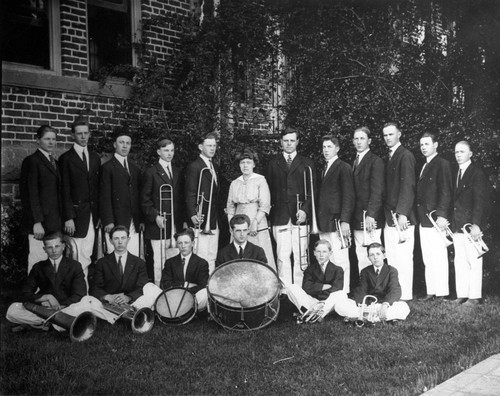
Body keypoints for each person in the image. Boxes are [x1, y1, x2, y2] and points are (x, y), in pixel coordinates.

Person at [6, 232, 86, 331]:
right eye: (49, 247)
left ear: (63, 246)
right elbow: (25, 293)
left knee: (89, 302)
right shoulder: (38, 267)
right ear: (44, 249)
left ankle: (40, 323)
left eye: (57, 246)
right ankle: (57, 324)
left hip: (67, 308)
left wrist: (61, 306)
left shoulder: (75, 265)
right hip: (44, 310)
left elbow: (80, 293)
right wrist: (45, 297)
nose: (54, 250)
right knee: (13, 309)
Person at [266, 126, 315, 287]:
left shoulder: (307, 163)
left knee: (301, 256)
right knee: (282, 255)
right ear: (281, 142)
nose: (289, 144)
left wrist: (305, 210)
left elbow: (313, 192)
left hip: (300, 216)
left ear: (297, 142)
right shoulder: (272, 164)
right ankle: (285, 291)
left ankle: (301, 290)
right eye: (285, 141)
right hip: (280, 216)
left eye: (292, 141)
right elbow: (268, 192)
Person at [59, 119, 101, 286]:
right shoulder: (66, 159)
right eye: (79, 133)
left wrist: (99, 215)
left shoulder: (95, 157)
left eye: (86, 133)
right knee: (75, 255)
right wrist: (68, 217)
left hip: (91, 215)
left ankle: (85, 292)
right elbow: (64, 190)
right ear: (72, 135)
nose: (83, 136)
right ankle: (76, 292)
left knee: (87, 254)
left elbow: (97, 189)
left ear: (89, 134)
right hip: (75, 216)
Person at [450, 141, 488, 306]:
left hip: (470, 226)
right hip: (457, 225)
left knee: (474, 260)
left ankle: (474, 297)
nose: (458, 155)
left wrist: (476, 224)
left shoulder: (476, 173)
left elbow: (479, 201)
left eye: (462, 152)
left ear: (470, 154)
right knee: (460, 261)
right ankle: (462, 294)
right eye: (457, 152)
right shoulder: (456, 172)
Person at [141, 138, 184, 285]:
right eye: (166, 150)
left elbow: (180, 198)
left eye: (172, 150)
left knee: (176, 261)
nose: (170, 153)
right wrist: (155, 216)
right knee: (159, 262)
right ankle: (160, 292)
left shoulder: (177, 171)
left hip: (174, 225)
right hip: (159, 224)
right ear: (159, 152)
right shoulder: (151, 172)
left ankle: (174, 291)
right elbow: (145, 200)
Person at [19, 125, 62, 273]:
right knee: (37, 258)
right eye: (47, 139)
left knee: (50, 260)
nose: (51, 142)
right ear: (38, 140)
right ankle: (34, 294)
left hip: (53, 221)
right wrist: (36, 222)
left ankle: (48, 291)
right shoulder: (32, 161)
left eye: (53, 139)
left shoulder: (54, 162)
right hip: (39, 223)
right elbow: (30, 194)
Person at [416, 132, 453, 301]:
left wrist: (442, 215)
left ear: (435, 145)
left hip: (436, 219)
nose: (424, 147)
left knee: (438, 256)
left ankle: (442, 292)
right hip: (423, 219)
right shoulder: (424, 165)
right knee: (428, 257)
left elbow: (446, 191)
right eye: (422, 144)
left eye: (427, 144)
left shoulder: (442, 164)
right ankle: (431, 291)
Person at [382, 122, 416, 301]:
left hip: (401, 218)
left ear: (399, 134)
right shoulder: (390, 156)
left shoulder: (406, 155)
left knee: (403, 258)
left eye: (391, 134)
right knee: (393, 258)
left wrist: (403, 213)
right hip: (390, 217)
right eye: (385, 135)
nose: (388, 138)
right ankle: (396, 293)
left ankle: (406, 294)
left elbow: (408, 186)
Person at [316, 135, 354, 293]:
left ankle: (343, 291)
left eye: (329, 147)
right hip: (324, 221)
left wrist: (345, 220)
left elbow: (349, 195)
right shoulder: (324, 168)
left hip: (337, 221)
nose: (326, 150)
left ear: (337, 149)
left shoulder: (343, 167)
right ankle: (331, 292)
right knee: (327, 258)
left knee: (340, 258)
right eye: (324, 147)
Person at [335, 243, 410, 322]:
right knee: (340, 305)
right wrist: (363, 305)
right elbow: (361, 289)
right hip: (368, 306)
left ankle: (365, 318)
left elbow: (395, 290)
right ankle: (378, 318)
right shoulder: (365, 271)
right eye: (372, 255)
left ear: (384, 255)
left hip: (384, 305)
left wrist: (385, 304)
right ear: (368, 258)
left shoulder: (392, 271)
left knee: (403, 307)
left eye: (378, 254)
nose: (375, 257)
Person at [225, 149, 275, 268]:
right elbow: (230, 207)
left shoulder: (260, 180)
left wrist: (255, 223)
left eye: (248, 162)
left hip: (256, 223)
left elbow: (265, 204)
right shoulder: (235, 183)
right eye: (242, 163)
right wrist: (231, 226)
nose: (245, 165)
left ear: (254, 164)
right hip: (238, 223)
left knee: (259, 255)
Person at [100, 129, 144, 256]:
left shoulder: (135, 169)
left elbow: (138, 195)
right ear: (115, 145)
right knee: (115, 255)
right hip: (115, 219)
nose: (125, 146)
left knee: (133, 254)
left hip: (133, 221)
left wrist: (140, 220)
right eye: (121, 142)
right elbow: (104, 196)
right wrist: (108, 220)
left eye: (128, 143)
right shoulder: (107, 168)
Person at [285, 239, 347, 322]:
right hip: (313, 302)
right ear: (314, 253)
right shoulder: (310, 269)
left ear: (330, 253)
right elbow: (306, 287)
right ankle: (314, 313)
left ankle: (315, 314)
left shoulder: (338, 269)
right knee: (291, 287)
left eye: (324, 252)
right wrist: (323, 287)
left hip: (328, 303)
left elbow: (336, 289)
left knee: (340, 294)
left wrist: (316, 290)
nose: (321, 255)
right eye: (318, 252)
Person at [185, 133, 221, 273]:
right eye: (209, 145)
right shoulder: (195, 166)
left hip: (213, 218)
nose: (212, 149)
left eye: (214, 146)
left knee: (212, 254)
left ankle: (209, 286)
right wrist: (192, 214)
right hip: (201, 217)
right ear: (200, 147)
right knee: (201, 254)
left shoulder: (214, 166)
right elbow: (190, 192)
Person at [351, 127, 385, 273]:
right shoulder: (355, 161)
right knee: (361, 255)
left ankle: (378, 289)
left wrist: (371, 215)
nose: (359, 142)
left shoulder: (375, 161)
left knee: (375, 255)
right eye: (356, 138)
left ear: (369, 141)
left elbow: (377, 191)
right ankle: (366, 289)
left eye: (362, 138)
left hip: (370, 218)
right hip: (358, 217)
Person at [90, 225, 149, 305]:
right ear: (110, 241)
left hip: (133, 304)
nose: (120, 242)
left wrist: (128, 297)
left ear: (128, 239)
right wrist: (108, 297)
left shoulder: (139, 263)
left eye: (123, 238)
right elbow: (95, 288)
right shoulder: (102, 263)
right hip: (109, 305)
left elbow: (142, 288)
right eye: (116, 238)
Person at [160, 228, 209, 312]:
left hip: (193, 297)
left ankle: (186, 310)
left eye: (186, 242)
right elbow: (164, 284)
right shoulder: (170, 262)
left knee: (205, 293)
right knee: (150, 287)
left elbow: (203, 285)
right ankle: (180, 310)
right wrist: (185, 284)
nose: (183, 246)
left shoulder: (202, 263)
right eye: (180, 243)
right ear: (177, 244)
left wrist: (186, 293)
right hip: (174, 297)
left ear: (193, 243)